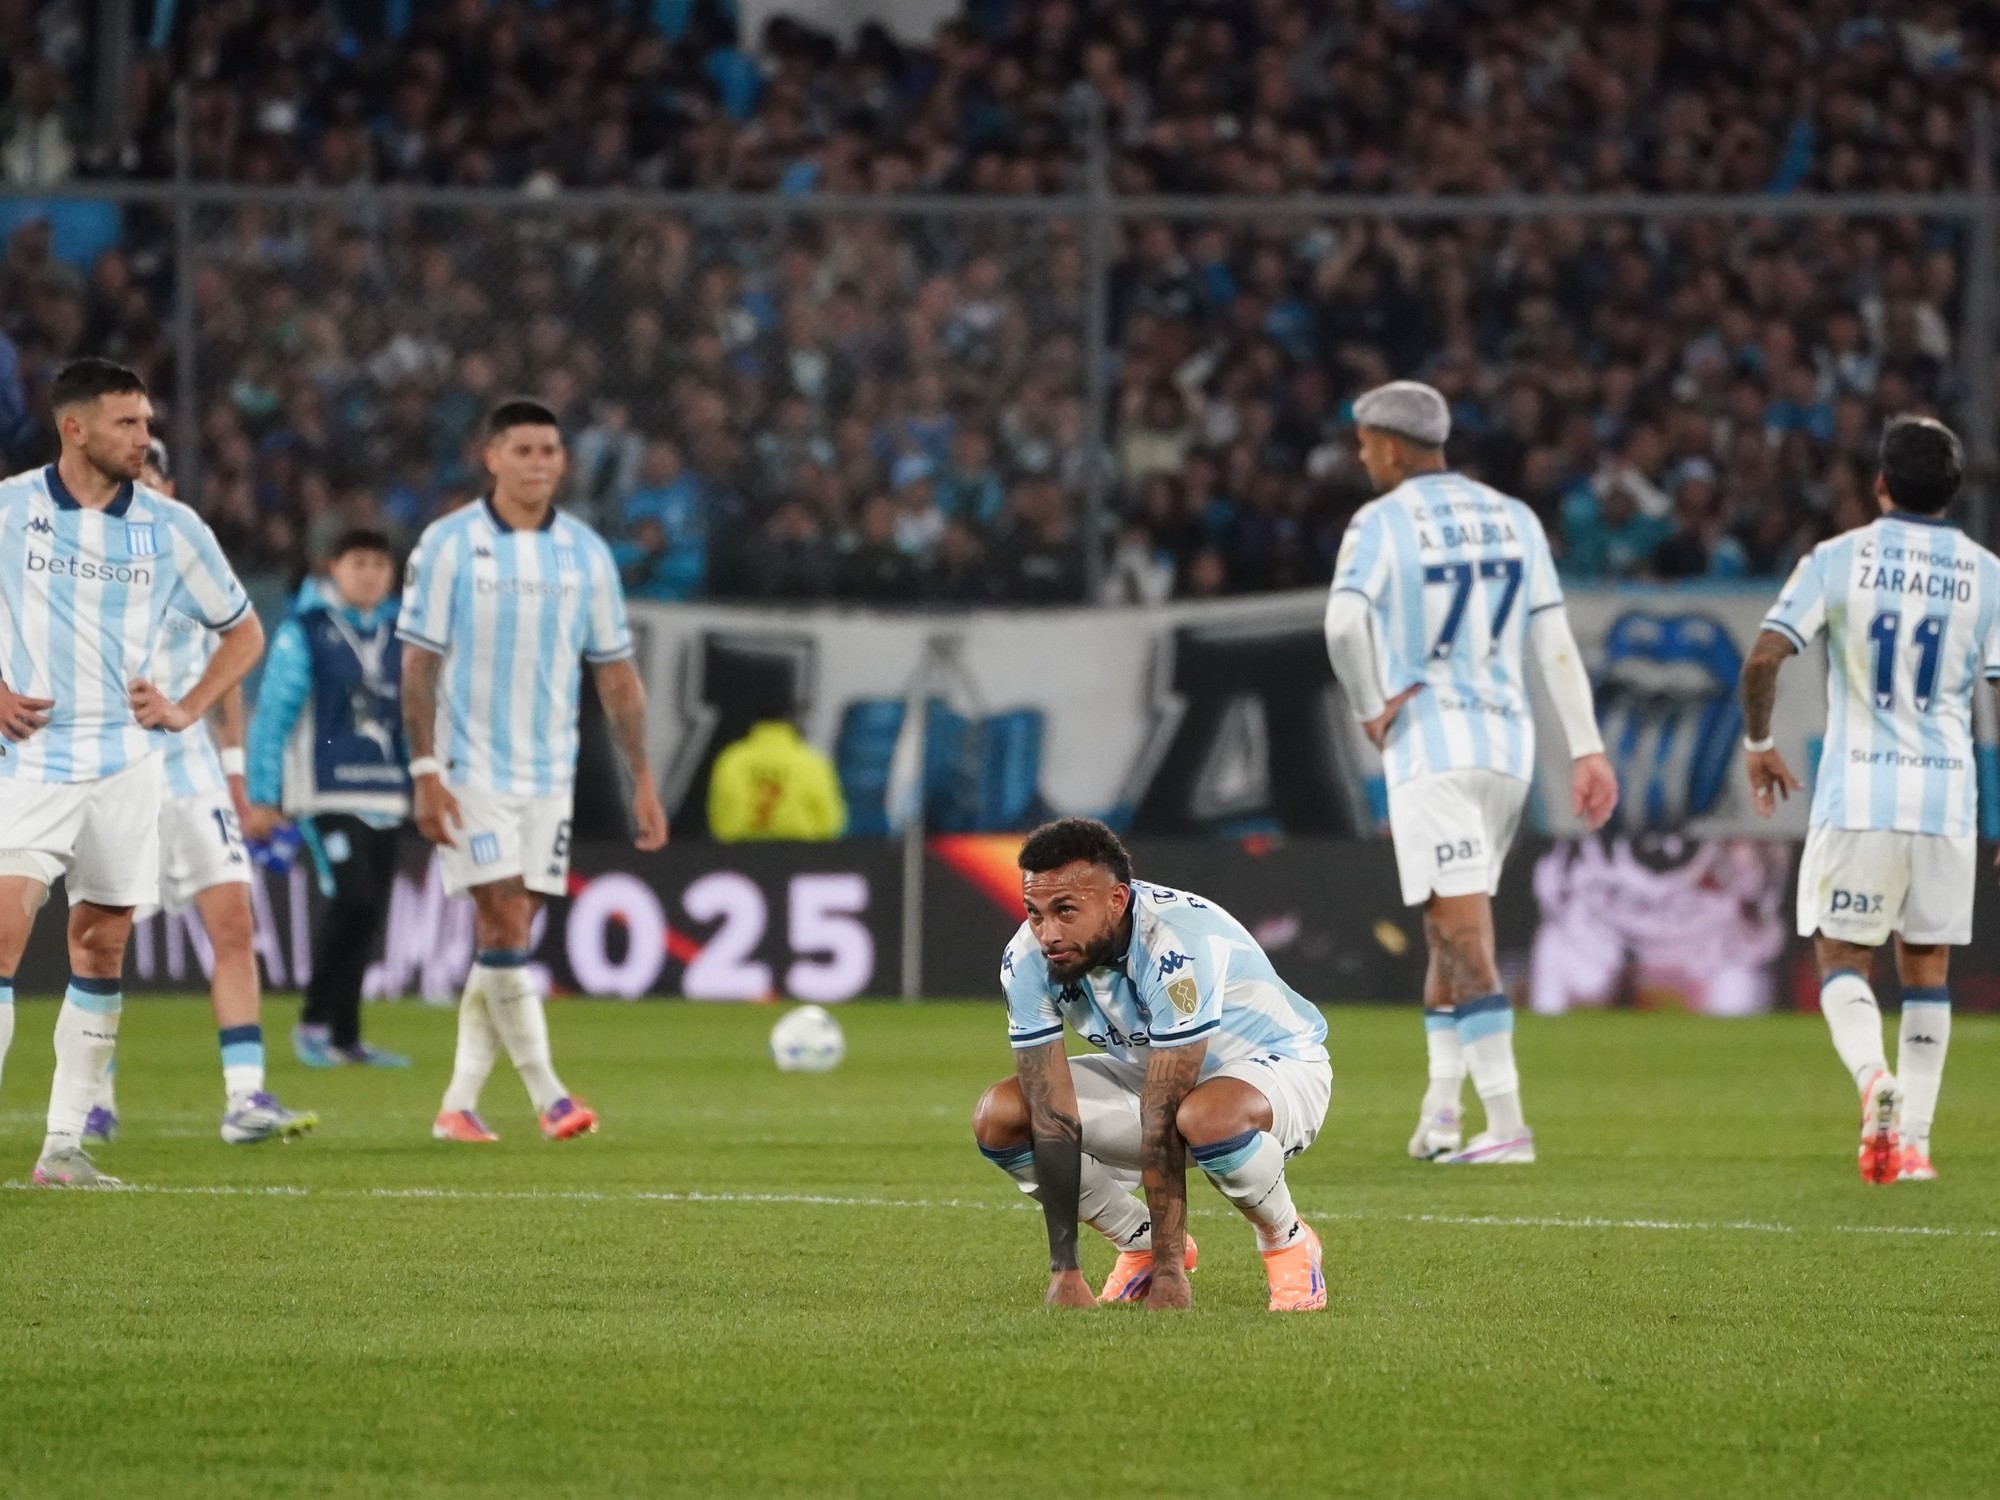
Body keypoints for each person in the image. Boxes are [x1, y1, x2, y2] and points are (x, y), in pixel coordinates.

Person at [1322, 381, 1619, 1166]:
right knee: (1444, 928)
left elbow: (1345, 622)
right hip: (1508, 751)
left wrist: (1368, 707)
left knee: (1460, 933)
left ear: (1391, 444)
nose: (1361, 456)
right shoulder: (1516, 518)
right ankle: (1442, 1113)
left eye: (1364, 442)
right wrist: (1586, 748)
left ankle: (1508, 1124)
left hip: (1433, 747)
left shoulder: (1380, 521)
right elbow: (1555, 643)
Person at [0, 359, 264, 1187]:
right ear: (72, 428)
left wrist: (187, 707)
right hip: (34, 757)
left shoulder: (172, 527)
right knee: (3, 933)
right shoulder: (10, 510)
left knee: (102, 945)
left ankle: (63, 1150)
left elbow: (243, 632)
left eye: (146, 423)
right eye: (127, 423)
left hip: (127, 763)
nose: (144, 438)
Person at [398, 399, 668, 1144]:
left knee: (506, 940)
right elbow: (417, 666)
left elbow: (617, 675)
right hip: (467, 766)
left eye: (550, 450)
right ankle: (550, 1096)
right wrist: (425, 768)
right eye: (523, 450)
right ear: (491, 458)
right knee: (505, 919)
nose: (540, 462)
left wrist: (641, 778)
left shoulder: (585, 553)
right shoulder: (448, 544)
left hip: (551, 774)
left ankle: (457, 1105)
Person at [1739, 416, 1993, 1184]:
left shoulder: (1836, 559)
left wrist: (1759, 747)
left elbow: (1762, 661)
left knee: (1843, 958)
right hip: (1947, 799)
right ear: (1954, 491)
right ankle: (1911, 1143)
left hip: (1861, 792)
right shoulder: (1988, 572)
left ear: (1880, 483)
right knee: (1929, 969)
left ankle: (1872, 1082)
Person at [971, 818, 1332, 1313]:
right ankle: (1135, 1240)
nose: (1047, 933)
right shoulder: (1027, 958)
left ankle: (1286, 1239)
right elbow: (1050, 1113)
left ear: (1116, 900)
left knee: (1204, 1116)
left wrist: (1170, 1277)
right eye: (1034, 913)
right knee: (1003, 1114)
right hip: (1153, 1076)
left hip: (1279, 1071)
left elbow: (1163, 1115)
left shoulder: (1175, 945)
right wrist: (1066, 1269)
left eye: (1065, 911)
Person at [85, 439, 316, 1147]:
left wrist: (237, 775)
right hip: (115, 775)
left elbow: (232, 667)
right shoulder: (81, 560)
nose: (141, 481)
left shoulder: (192, 554)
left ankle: (245, 1098)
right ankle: (94, 1098)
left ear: (166, 479)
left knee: (235, 925)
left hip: (194, 776)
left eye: (150, 469)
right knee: (102, 941)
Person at [243, 527, 412, 1070]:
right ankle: (314, 1022)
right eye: (358, 562)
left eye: (379, 564)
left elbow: (419, 715)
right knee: (353, 900)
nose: (370, 573)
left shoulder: (403, 633)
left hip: (387, 791)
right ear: (333, 568)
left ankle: (347, 1037)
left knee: (369, 914)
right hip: (325, 792)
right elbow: (273, 715)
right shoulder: (307, 631)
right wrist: (264, 796)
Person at [708, 718, 847, 841]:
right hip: (800, 854)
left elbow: (718, 813)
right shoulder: (811, 761)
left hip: (738, 854)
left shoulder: (732, 758)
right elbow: (831, 821)